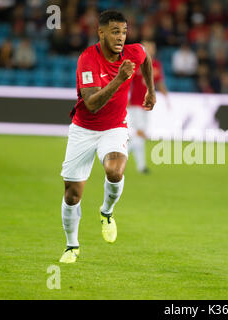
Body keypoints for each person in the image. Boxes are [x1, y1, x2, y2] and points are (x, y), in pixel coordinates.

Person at [59, 10, 156, 263]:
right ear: (100, 32)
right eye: (115, 31)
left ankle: (107, 212)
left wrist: (150, 90)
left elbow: (145, 59)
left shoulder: (132, 52)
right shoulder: (87, 60)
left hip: (114, 127)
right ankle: (72, 246)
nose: (121, 37)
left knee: (115, 171)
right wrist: (119, 78)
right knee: (72, 195)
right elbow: (91, 103)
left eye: (124, 32)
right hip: (83, 128)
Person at [127, 40, 169, 174]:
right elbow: (127, 82)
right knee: (140, 133)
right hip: (134, 104)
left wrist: (166, 97)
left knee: (139, 137)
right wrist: (126, 99)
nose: (150, 50)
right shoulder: (135, 64)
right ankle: (118, 157)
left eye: (152, 48)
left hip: (147, 105)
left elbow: (159, 82)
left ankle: (140, 166)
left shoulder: (156, 65)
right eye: (148, 48)